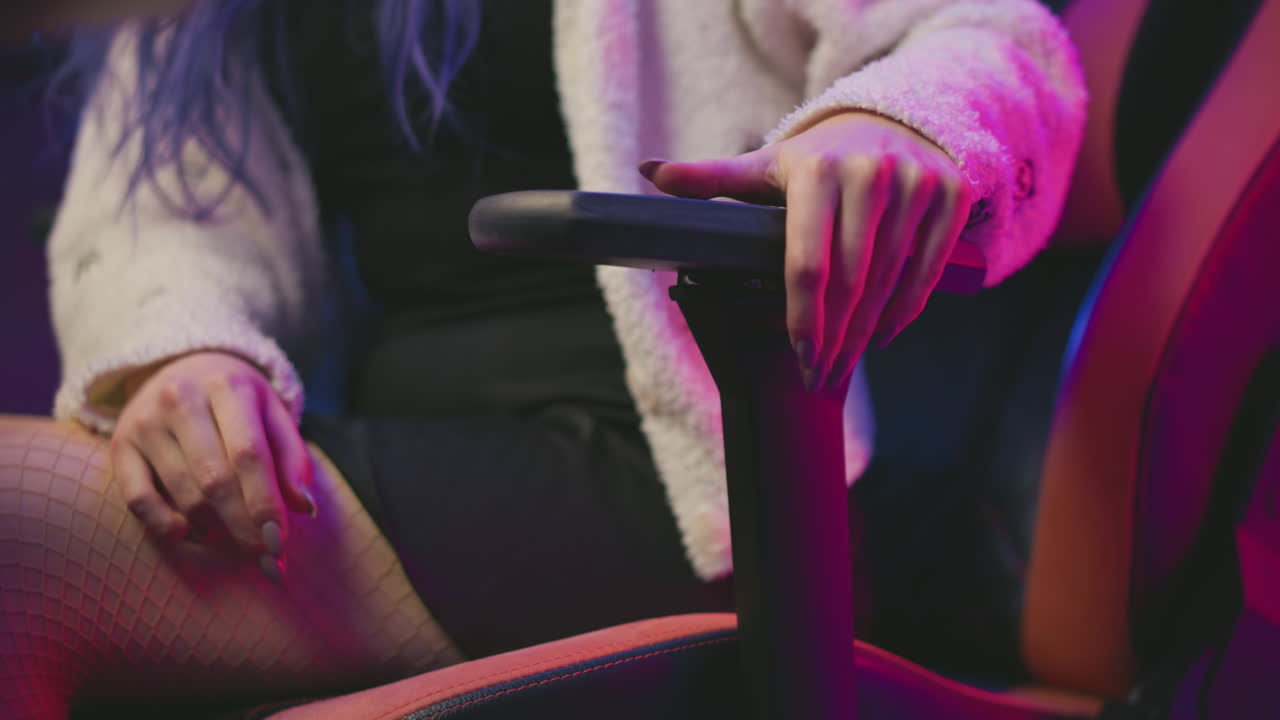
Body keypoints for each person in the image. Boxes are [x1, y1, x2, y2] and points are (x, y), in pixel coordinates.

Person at [0, 0, 1086, 716]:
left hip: (695, 471)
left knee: (18, 526)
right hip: (419, 458)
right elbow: (154, 214)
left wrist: (888, 127)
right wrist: (182, 355)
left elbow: (986, 38)